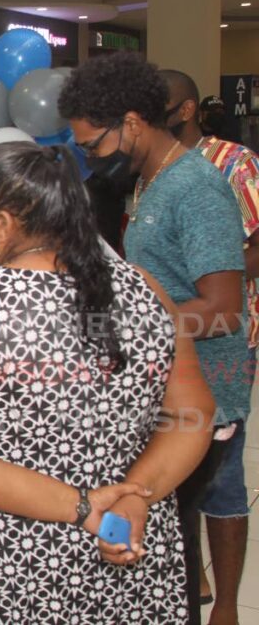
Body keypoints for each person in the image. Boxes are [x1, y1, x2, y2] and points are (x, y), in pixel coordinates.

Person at [0, 141, 214, 623]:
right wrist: (131, 495)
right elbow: (192, 415)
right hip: (133, 533)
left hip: (18, 558)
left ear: (4, 225)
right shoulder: (145, 286)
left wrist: (84, 509)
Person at [59, 52, 251, 625]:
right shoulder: (153, 183)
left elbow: (221, 310)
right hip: (166, 389)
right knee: (168, 541)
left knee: (177, 549)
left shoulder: (193, 186)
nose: (92, 158)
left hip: (203, 397)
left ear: (134, 122)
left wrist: (132, 326)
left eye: (94, 144)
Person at [161, 68, 258, 621]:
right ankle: (190, 572)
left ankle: (227, 604)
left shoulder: (233, 164)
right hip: (174, 337)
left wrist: (212, 272)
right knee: (180, 462)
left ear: (188, 109)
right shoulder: (153, 170)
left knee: (222, 474)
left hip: (223, 335)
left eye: (164, 105)